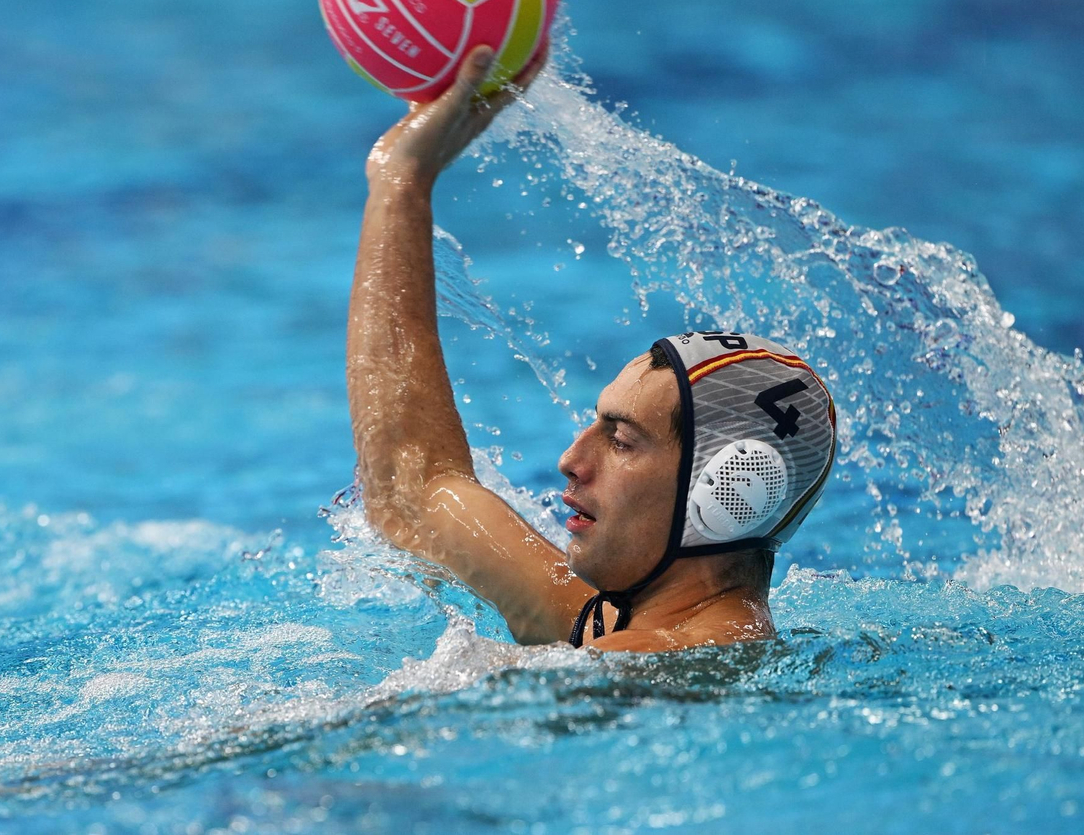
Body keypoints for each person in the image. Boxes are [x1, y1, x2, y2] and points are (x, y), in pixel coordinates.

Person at [346, 46, 837, 653]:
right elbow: (411, 490)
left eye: (622, 440)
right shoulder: (621, 626)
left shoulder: (659, 669)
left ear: (728, 493)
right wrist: (401, 182)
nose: (571, 459)